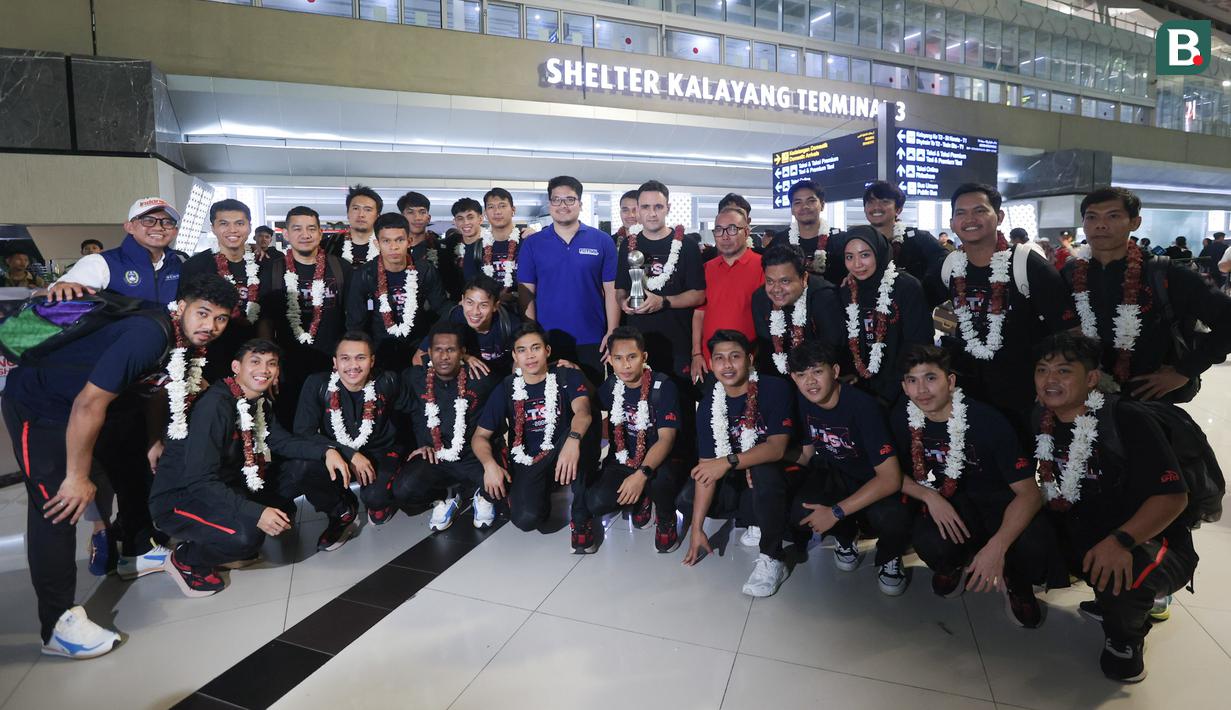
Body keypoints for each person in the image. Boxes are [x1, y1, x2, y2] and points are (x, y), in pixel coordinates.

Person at [2, 274, 237, 658]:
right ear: (182, 307)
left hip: (98, 409)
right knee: (57, 508)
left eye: (221, 319)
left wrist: (152, 439)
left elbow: (156, 386)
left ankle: (135, 552)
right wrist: (77, 476)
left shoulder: (185, 341)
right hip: (42, 408)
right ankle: (57, 625)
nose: (210, 326)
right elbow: (87, 404)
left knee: (134, 471)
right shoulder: (149, 334)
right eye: (204, 313)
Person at [1032, 332, 1197, 682]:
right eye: (1043, 370)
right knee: (1023, 538)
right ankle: (1105, 595)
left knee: (1122, 568)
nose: (1050, 380)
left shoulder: (1126, 418)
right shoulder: (1041, 420)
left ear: (1091, 379)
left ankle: (1125, 636)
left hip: (1146, 538)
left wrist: (1120, 540)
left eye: (1063, 371)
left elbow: (1173, 497)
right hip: (1083, 525)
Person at [150, 339, 350, 597]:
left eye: (271, 364)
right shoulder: (215, 406)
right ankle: (186, 558)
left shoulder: (257, 401)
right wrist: (256, 513)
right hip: (181, 499)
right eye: (255, 362)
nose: (264, 370)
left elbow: (281, 441)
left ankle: (340, 512)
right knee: (246, 537)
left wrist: (327, 451)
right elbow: (200, 481)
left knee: (304, 465)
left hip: (228, 485)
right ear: (236, 367)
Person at [892, 345, 1064, 626]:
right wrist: (929, 497)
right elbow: (888, 473)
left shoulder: (987, 420)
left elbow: (1029, 495)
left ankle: (1016, 581)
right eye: (912, 380)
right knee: (929, 539)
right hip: (949, 502)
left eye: (931, 378)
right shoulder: (902, 418)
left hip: (999, 501)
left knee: (1035, 543)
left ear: (950, 381)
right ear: (904, 386)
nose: (921, 389)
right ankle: (954, 565)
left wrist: (997, 547)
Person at [932, 183, 1076, 445]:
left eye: (979, 210)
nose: (969, 219)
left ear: (998, 217)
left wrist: (1052, 385)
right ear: (952, 222)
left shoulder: (1026, 264)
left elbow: (1068, 333)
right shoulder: (949, 266)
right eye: (961, 213)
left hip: (1022, 394)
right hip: (968, 392)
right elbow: (924, 305)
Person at [1062, 187, 1231, 403]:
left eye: (1113, 216)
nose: (1100, 224)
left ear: (1135, 222)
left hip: (1149, 400)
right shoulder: (1070, 274)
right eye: (1091, 217)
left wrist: (1184, 370)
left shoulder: (1165, 273)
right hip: (1084, 396)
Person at [786, 340, 912, 596]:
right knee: (800, 509)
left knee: (894, 517)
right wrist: (764, 464)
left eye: (817, 372)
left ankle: (890, 556)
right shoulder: (804, 399)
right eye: (802, 375)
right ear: (794, 378)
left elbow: (890, 479)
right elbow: (808, 451)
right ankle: (846, 537)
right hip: (835, 472)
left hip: (872, 479)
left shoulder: (863, 406)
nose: (810, 381)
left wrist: (835, 512)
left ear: (834, 371)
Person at [680, 330, 794, 598]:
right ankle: (752, 517)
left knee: (763, 470)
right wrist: (696, 531)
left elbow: (777, 449)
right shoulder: (709, 404)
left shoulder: (774, 388)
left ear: (750, 359)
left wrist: (729, 461)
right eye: (719, 358)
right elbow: (708, 465)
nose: (727, 365)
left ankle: (773, 558)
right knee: (687, 497)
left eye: (735, 357)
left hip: (778, 473)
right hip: (739, 475)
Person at [473, 322, 599, 551]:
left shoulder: (566, 374)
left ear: (547, 351)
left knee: (584, 430)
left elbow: (583, 412)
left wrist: (572, 440)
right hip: (529, 458)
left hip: (564, 448)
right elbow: (480, 436)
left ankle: (581, 516)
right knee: (526, 519)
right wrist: (489, 465)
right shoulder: (508, 386)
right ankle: (542, 489)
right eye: (522, 350)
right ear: (514, 356)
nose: (529, 356)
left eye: (536, 348)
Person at [289, 331, 413, 548]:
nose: (353, 366)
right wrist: (349, 454)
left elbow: (416, 411)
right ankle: (342, 511)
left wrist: (425, 446)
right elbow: (303, 432)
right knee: (300, 467)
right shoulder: (317, 384)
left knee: (376, 499)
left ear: (372, 361)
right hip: (336, 452)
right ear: (335, 362)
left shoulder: (388, 380)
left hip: (380, 451)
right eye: (345, 358)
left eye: (361, 358)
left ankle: (379, 500)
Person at [587, 327, 683, 553]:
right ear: (610, 360)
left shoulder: (664, 386)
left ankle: (666, 517)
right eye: (618, 359)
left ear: (644, 357)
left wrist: (641, 475)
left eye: (632, 357)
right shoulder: (612, 385)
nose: (626, 365)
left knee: (660, 482)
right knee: (596, 501)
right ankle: (643, 499)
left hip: (658, 462)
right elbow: (590, 400)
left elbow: (666, 439)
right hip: (624, 458)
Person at [516, 176, 618, 382]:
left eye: (570, 200)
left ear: (580, 203)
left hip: (592, 337)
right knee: (553, 404)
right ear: (549, 204)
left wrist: (612, 332)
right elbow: (526, 293)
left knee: (591, 403)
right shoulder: (533, 244)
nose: (563, 205)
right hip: (548, 339)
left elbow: (611, 290)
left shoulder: (602, 241)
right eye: (557, 200)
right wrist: (532, 338)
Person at [257, 206, 352, 425]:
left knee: (335, 423)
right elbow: (265, 322)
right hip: (288, 366)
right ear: (286, 234)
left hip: (332, 363)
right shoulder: (273, 270)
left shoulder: (340, 268)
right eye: (297, 229)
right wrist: (268, 364)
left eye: (311, 228)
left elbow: (353, 318)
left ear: (320, 233)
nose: (305, 234)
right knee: (290, 422)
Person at [401, 322, 499, 530]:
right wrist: (418, 444)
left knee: (504, 488)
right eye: (438, 350)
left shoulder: (481, 378)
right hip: (435, 457)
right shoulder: (415, 378)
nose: (444, 356)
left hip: (473, 458)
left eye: (451, 350)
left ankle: (480, 495)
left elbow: (516, 386)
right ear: (429, 352)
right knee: (404, 490)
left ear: (462, 353)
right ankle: (443, 499)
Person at [616, 180, 706, 381]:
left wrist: (663, 302)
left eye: (658, 207)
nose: (652, 213)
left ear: (668, 208)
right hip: (637, 346)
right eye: (646, 207)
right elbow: (621, 288)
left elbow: (699, 295)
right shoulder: (628, 246)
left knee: (679, 407)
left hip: (678, 345)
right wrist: (622, 302)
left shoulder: (687, 246)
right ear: (638, 210)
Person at [839, 225, 932, 407]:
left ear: (879, 253)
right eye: (850, 257)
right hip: (858, 387)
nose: (857, 264)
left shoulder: (906, 287)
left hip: (900, 389)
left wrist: (891, 391)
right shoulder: (846, 290)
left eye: (865, 255)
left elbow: (918, 343)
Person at [346, 212, 449, 373]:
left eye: (399, 240)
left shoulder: (424, 270)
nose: (393, 247)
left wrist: (428, 344)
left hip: (418, 348)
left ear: (409, 241)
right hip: (379, 350)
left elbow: (442, 308)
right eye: (386, 241)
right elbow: (355, 323)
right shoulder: (365, 274)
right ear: (377, 243)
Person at [179, 199, 262, 381]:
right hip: (210, 357)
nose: (232, 230)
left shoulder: (265, 263)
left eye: (239, 223)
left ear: (249, 227)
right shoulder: (196, 266)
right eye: (224, 224)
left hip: (255, 356)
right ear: (213, 228)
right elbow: (184, 318)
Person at [49, 197, 184, 305]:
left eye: (167, 222)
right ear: (129, 227)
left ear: (175, 231)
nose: (159, 227)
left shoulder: (180, 264)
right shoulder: (101, 263)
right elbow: (63, 288)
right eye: (148, 220)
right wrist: (62, 286)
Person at [691, 206, 764, 383]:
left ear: (746, 232)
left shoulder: (762, 266)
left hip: (750, 363)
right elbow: (699, 313)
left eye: (732, 229)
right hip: (711, 362)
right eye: (718, 230)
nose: (724, 236)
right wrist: (696, 353)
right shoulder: (707, 268)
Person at [750, 244, 843, 377]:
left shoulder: (824, 297)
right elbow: (767, 349)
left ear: (804, 278)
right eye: (770, 281)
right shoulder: (760, 298)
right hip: (779, 375)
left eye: (785, 281)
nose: (776, 289)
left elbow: (832, 351)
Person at [413, 275, 523, 378]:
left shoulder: (510, 324)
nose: (475, 312)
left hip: (500, 379)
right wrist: (463, 357)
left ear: (495, 306)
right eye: (470, 303)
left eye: (483, 305)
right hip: (463, 381)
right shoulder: (453, 319)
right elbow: (418, 358)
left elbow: (523, 361)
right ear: (462, 300)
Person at [863, 180, 946, 285]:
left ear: (898, 209)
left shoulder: (919, 239)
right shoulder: (856, 242)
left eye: (884, 201)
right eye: (871, 202)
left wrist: (921, 288)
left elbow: (944, 261)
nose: (876, 207)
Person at [463, 188, 523, 307]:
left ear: (513, 210)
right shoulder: (475, 248)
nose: (497, 212)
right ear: (485, 214)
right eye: (491, 207)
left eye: (502, 206)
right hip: (488, 314)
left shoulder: (528, 243)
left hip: (525, 311)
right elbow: (471, 286)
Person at [779, 180, 842, 282]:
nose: (805, 206)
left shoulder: (840, 240)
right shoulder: (780, 242)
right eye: (798, 202)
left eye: (811, 201)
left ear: (822, 205)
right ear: (791, 209)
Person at [329, 184, 381, 266]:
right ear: (347, 213)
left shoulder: (386, 245)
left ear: (377, 215)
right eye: (356, 208)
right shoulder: (330, 244)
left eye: (368, 210)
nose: (361, 214)